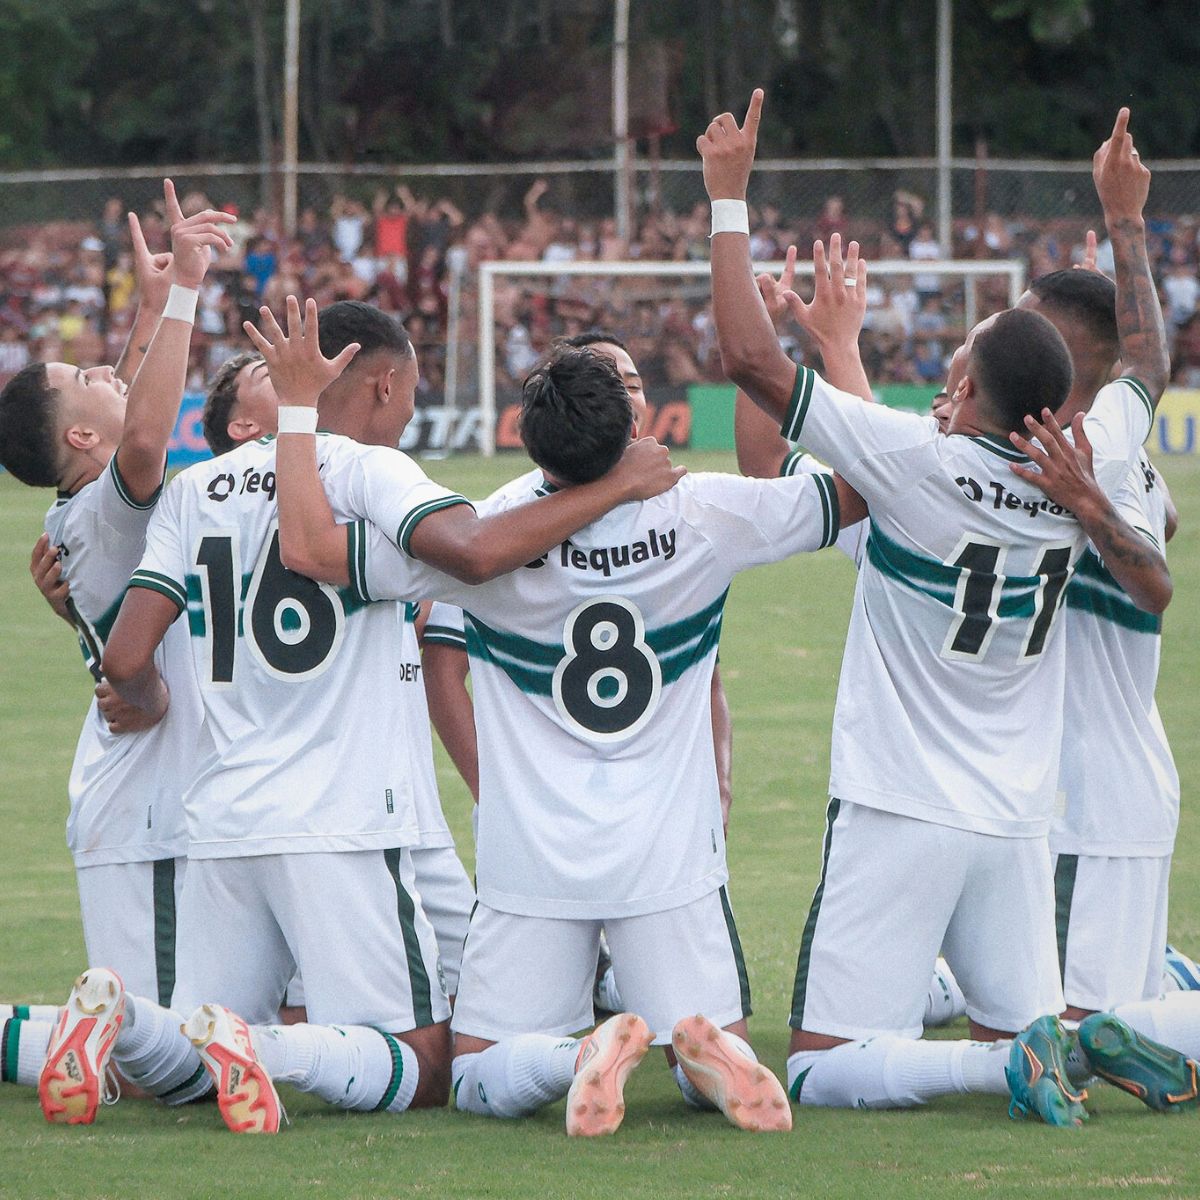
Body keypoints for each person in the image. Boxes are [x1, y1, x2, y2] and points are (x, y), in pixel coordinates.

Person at [82, 298, 680, 1135]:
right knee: (424, 1066)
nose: (412, 408)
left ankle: (123, 1019)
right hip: (343, 823)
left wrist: (145, 706)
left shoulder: (196, 489)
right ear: (385, 382)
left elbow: (125, 659)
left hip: (218, 822)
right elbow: (472, 550)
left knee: (185, 1063)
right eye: (412, 390)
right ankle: (275, 1055)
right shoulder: (366, 469)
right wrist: (620, 483)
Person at [264, 299, 859, 1136]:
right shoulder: (707, 512)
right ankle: (708, 1065)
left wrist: (294, 408)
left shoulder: (490, 532)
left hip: (532, 862)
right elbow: (868, 486)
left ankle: (573, 1057)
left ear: (528, 432)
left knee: (475, 1074)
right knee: (714, 1045)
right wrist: (838, 349)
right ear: (634, 425)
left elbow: (312, 549)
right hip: (669, 856)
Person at [701, 92, 1175, 1127]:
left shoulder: (921, 464)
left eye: (959, 369)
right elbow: (1148, 362)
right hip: (1015, 819)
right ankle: (1036, 1048)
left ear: (976, 399)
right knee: (1016, 1023)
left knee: (824, 1067)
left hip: (897, 806)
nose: (945, 383)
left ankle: (996, 1068)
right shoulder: (1085, 466)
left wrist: (728, 203)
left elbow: (747, 368)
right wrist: (1130, 223)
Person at [0, 183, 235, 1121]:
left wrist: (149, 303)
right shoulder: (105, 506)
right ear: (84, 437)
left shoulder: (79, 515)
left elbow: (121, 413)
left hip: (145, 792)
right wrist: (183, 292)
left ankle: (85, 1033)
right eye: (86, 376)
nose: (106, 367)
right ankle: (72, 1036)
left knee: (176, 1036)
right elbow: (142, 433)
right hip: (142, 809)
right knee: (161, 1060)